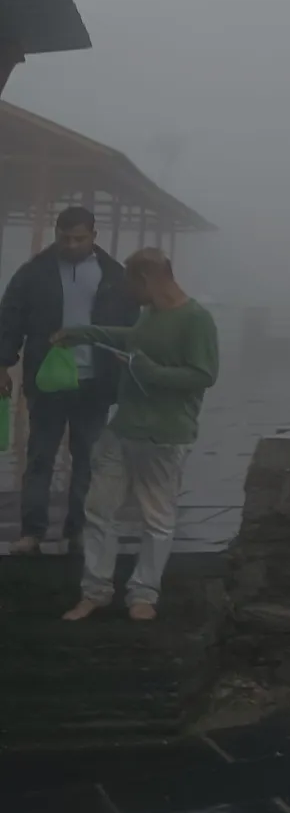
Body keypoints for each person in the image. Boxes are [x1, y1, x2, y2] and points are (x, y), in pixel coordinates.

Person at [55, 249, 219, 622]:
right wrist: (85, 334)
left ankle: (143, 594)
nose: (128, 291)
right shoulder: (151, 316)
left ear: (146, 278)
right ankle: (94, 591)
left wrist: (144, 368)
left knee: (157, 518)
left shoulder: (196, 320)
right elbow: (132, 338)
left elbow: (203, 375)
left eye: (130, 282)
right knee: (98, 510)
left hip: (165, 434)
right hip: (123, 429)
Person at [0, 207, 140, 555]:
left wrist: (134, 369)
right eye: (65, 238)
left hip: (96, 381)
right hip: (47, 380)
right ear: (56, 234)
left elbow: (132, 325)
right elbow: (10, 319)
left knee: (88, 458)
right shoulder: (34, 273)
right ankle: (32, 532)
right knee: (39, 457)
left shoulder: (113, 275)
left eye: (79, 238)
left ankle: (78, 530)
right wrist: (2, 364)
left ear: (94, 235)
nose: (72, 244)